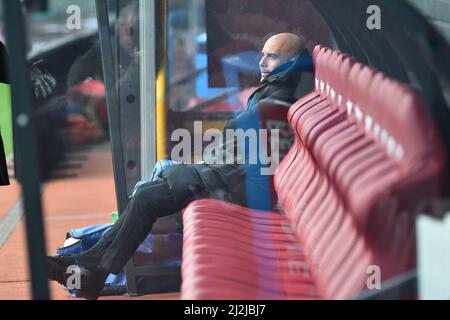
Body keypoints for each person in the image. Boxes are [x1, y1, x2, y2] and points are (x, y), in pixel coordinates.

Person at [46, 33, 311, 299]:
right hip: (231, 179)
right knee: (148, 193)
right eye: (262, 55)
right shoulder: (271, 95)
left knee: (147, 197)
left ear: (292, 64)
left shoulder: (275, 103)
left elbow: (252, 169)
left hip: (240, 191)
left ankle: (90, 269)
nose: (262, 63)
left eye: (273, 57)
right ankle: (88, 266)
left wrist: (199, 173)